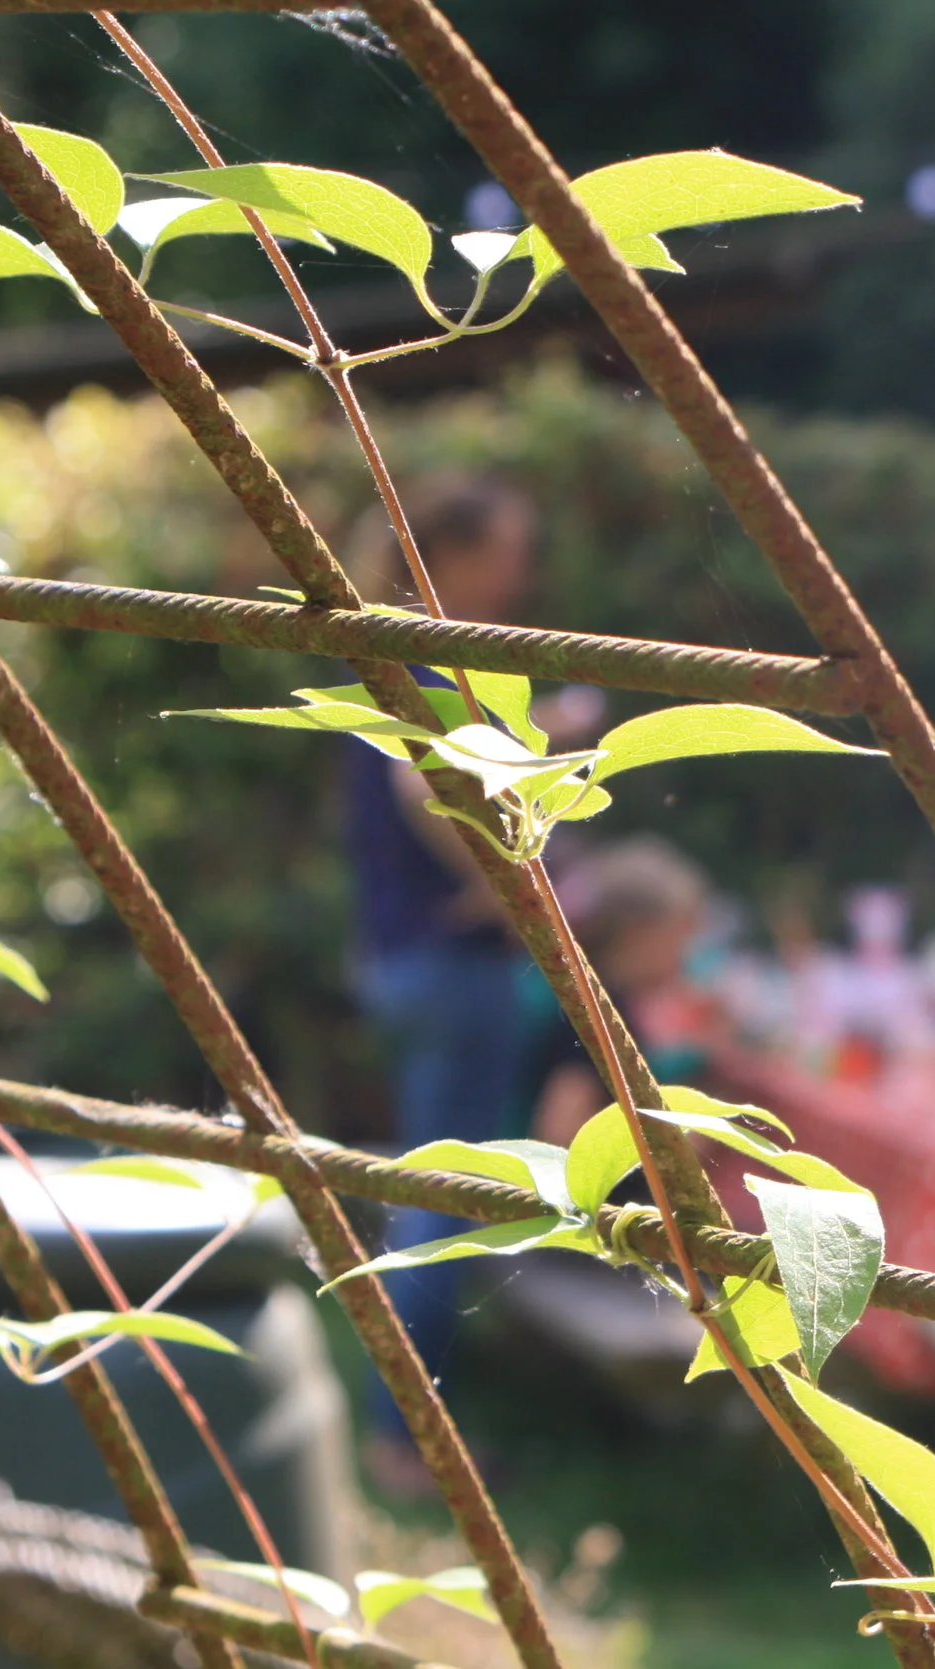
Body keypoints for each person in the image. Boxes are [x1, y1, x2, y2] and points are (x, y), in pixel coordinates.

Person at [339, 472, 544, 1493]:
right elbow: (419, 786)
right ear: (450, 555)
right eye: (507, 549)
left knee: (430, 1185)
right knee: (442, 1198)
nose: (521, 573)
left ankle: (401, 1426)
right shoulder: (427, 657)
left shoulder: (382, 650)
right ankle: (402, 1439)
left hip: (402, 956)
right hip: (451, 965)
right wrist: (509, 886)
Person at [527, 837, 719, 1147]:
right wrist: (673, 1143)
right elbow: (559, 1133)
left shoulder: (585, 991)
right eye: (681, 933)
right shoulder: (597, 1011)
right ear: (638, 931)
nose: (688, 953)